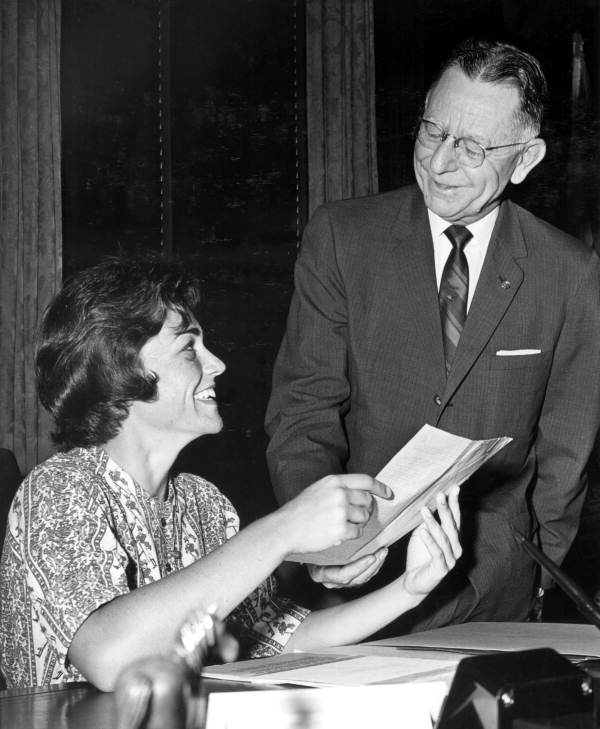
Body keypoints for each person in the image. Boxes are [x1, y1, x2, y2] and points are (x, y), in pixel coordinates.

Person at [0, 255, 461, 691]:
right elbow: (111, 658)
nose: (217, 363)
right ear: (118, 368)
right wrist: (284, 528)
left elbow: (280, 639)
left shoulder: (205, 503)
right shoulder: (59, 490)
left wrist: (409, 589)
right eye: (189, 348)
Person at [265, 38, 600, 631]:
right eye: (432, 132)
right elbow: (303, 410)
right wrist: (324, 540)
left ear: (525, 160)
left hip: (494, 593)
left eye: (473, 146)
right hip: (357, 587)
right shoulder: (342, 239)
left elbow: (566, 454)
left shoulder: (570, 274)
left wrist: (536, 575)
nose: (442, 163)